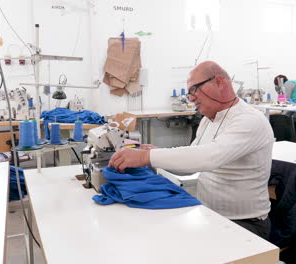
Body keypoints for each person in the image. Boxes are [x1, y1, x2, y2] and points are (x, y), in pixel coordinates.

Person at [109, 61, 275, 240]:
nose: (191, 98)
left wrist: (147, 157)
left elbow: (208, 158)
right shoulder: (207, 120)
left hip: (245, 224)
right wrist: (158, 153)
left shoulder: (249, 120)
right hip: (210, 215)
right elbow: (192, 163)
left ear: (219, 82)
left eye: (194, 90)